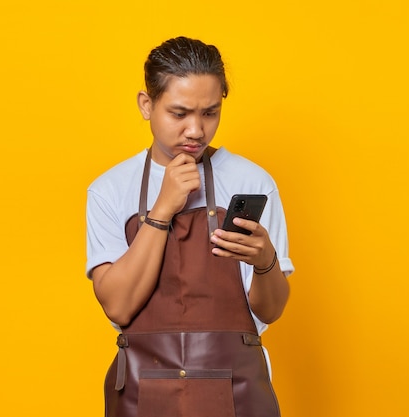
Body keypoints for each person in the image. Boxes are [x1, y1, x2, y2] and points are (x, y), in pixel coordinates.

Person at [85, 36, 294, 417]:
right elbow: (117, 305)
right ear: (147, 105)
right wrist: (162, 209)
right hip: (141, 394)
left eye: (210, 113)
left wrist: (265, 260)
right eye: (180, 114)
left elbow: (272, 310)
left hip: (238, 392)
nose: (196, 130)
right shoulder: (109, 190)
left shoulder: (253, 182)